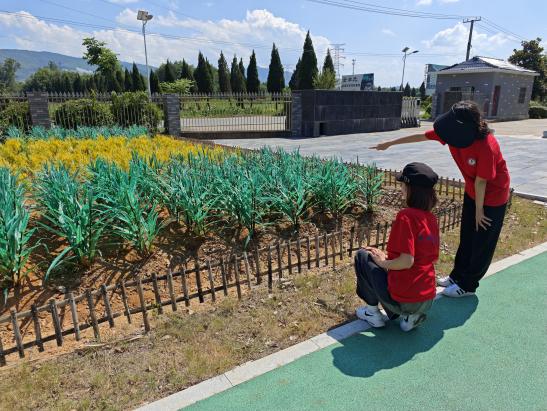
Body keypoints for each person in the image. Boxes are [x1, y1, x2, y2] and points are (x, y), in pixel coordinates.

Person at [370, 101, 510, 298]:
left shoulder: (487, 145)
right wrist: (390, 143)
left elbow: (482, 181)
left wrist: (480, 211)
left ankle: (468, 285)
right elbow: (421, 136)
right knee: (467, 236)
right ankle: (457, 275)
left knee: (482, 242)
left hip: (493, 196)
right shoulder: (453, 133)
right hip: (473, 192)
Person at [355, 162, 439, 332]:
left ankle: (373, 313)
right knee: (380, 259)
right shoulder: (430, 219)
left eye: (403, 185)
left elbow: (407, 261)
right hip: (427, 297)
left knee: (363, 256)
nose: (401, 189)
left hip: (406, 298)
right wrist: (386, 258)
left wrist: (382, 262)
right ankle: (412, 317)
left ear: (410, 189)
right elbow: (419, 256)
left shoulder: (405, 216)